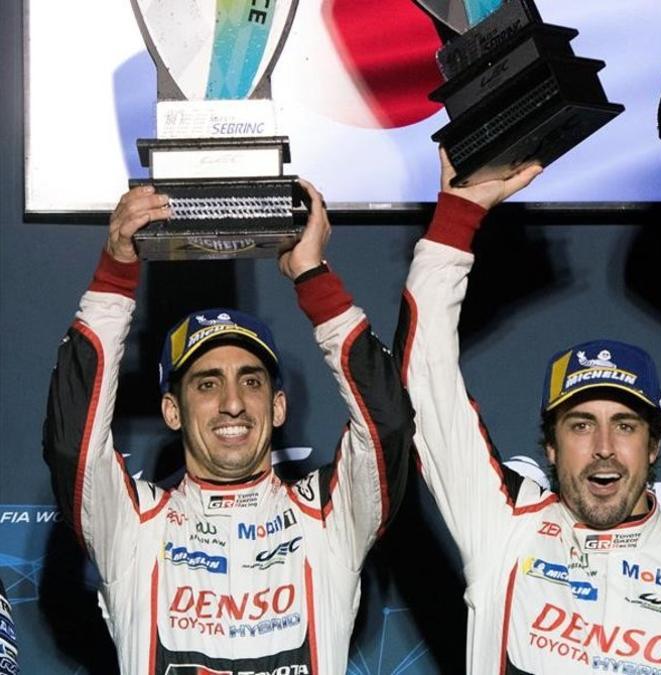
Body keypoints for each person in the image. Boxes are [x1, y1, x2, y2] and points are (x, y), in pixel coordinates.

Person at [400, 152, 661, 673]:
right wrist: (457, 217)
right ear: (550, 447)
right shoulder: (504, 526)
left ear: (654, 445)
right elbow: (426, 382)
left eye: (625, 425)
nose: (604, 446)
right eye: (581, 425)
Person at [42, 182, 413, 673]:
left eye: (252, 381)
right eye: (207, 384)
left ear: (279, 407)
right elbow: (75, 445)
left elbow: (387, 424)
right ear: (172, 411)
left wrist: (312, 277)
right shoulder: (133, 527)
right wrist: (116, 274)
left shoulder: (327, 518)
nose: (233, 403)